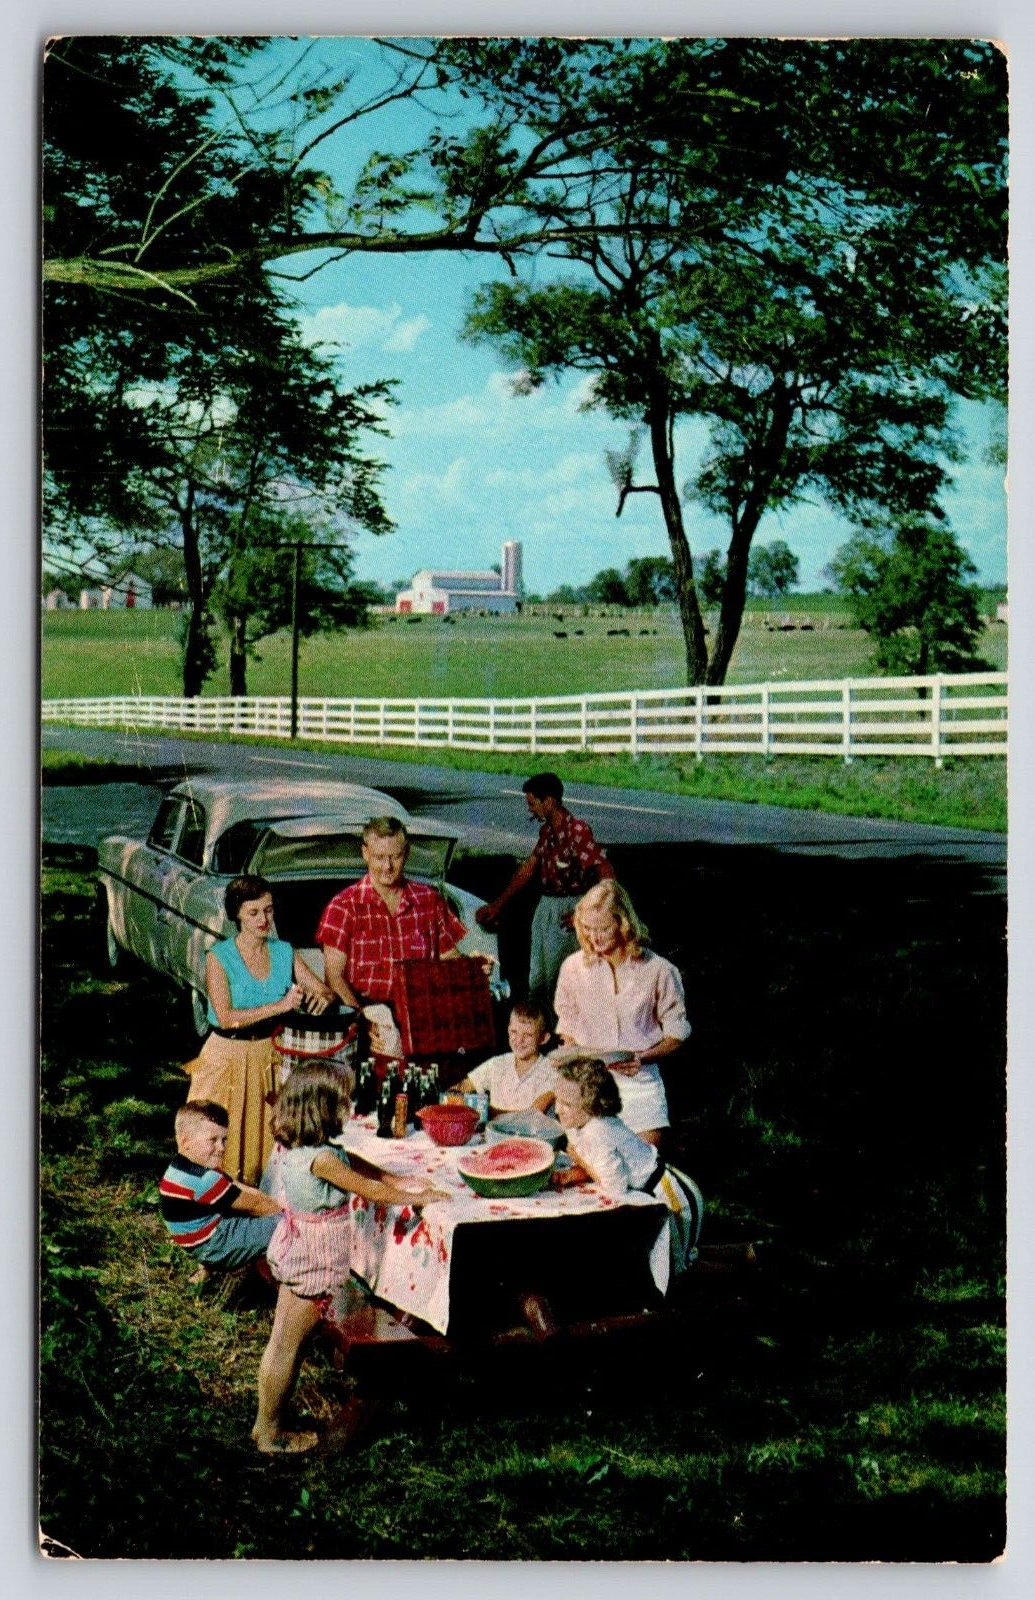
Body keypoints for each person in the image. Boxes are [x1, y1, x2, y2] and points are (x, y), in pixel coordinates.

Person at [253, 1061, 446, 1456]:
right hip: (316, 1259)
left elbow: (352, 1164)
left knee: (284, 1342)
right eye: (343, 1102)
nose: (350, 1108)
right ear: (323, 1107)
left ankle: (266, 1425)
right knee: (288, 1347)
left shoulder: (309, 1149)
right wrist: (416, 1197)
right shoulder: (320, 1160)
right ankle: (269, 1433)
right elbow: (366, 1190)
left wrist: (394, 1178)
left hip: (300, 1250)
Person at [185, 874, 334, 1186]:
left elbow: (323, 991)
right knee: (215, 1140)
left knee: (268, 1141)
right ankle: (209, 1211)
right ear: (237, 913)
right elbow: (225, 1017)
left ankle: (262, 1211)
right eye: (253, 912)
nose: (263, 919)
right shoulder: (218, 957)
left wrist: (321, 999)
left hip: (270, 1055)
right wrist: (281, 1006)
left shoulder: (284, 951)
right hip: (226, 1057)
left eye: (268, 910)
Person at [316, 815, 470, 1056]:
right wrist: (363, 1023)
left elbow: (451, 958)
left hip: (423, 1017)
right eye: (379, 857)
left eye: (395, 856)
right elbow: (334, 977)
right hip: (366, 1016)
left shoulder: (429, 900)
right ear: (365, 853)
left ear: (406, 852)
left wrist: (474, 967)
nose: (387, 866)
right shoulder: (342, 906)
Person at [553, 880, 690, 1148]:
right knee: (591, 1170)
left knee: (643, 1170)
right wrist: (569, 1058)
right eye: (588, 929)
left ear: (623, 923)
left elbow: (677, 1033)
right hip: (589, 1085)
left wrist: (643, 1057)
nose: (595, 937)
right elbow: (567, 1026)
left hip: (640, 1082)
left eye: (603, 928)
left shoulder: (659, 970)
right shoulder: (572, 968)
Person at [474, 772, 614, 1013]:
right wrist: (498, 905)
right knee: (538, 978)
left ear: (548, 801)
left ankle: (566, 1036)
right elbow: (529, 868)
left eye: (532, 803)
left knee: (562, 979)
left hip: (568, 908)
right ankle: (542, 1031)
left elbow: (606, 874)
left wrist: (587, 913)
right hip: (546, 907)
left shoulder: (577, 831)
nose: (531, 811)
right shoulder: (547, 833)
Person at [551, 1056, 703, 1273]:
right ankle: (748, 1253)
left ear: (590, 1106)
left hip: (672, 1196)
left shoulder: (598, 1131)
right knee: (680, 1260)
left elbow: (615, 1186)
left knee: (679, 1269)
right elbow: (608, 1167)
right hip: (654, 1193)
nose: (557, 1109)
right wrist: (572, 1174)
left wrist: (580, 1161)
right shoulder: (580, 1123)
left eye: (567, 1104)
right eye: (558, 1100)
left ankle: (750, 1264)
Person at [159, 1100, 282, 1273]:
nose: (222, 1148)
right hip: (214, 1246)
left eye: (224, 1139)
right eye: (213, 1140)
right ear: (185, 1141)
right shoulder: (204, 1180)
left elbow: (233, 1184)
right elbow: (258, 1205)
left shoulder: (181, 1167)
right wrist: (285, 1211)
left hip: (199, 1240)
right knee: (288, 1227)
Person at [453, 1000, 557, 1114]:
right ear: (508, 1030)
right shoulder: (497, 1064)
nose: (519, 1040)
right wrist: (450, 1097)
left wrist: (488, 1112)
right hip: (492, 1131)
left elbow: (532, 1116)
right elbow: (461, 1087)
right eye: (514, 1032)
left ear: (543, 1038)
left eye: (528, 1035)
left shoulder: (552, 1070)